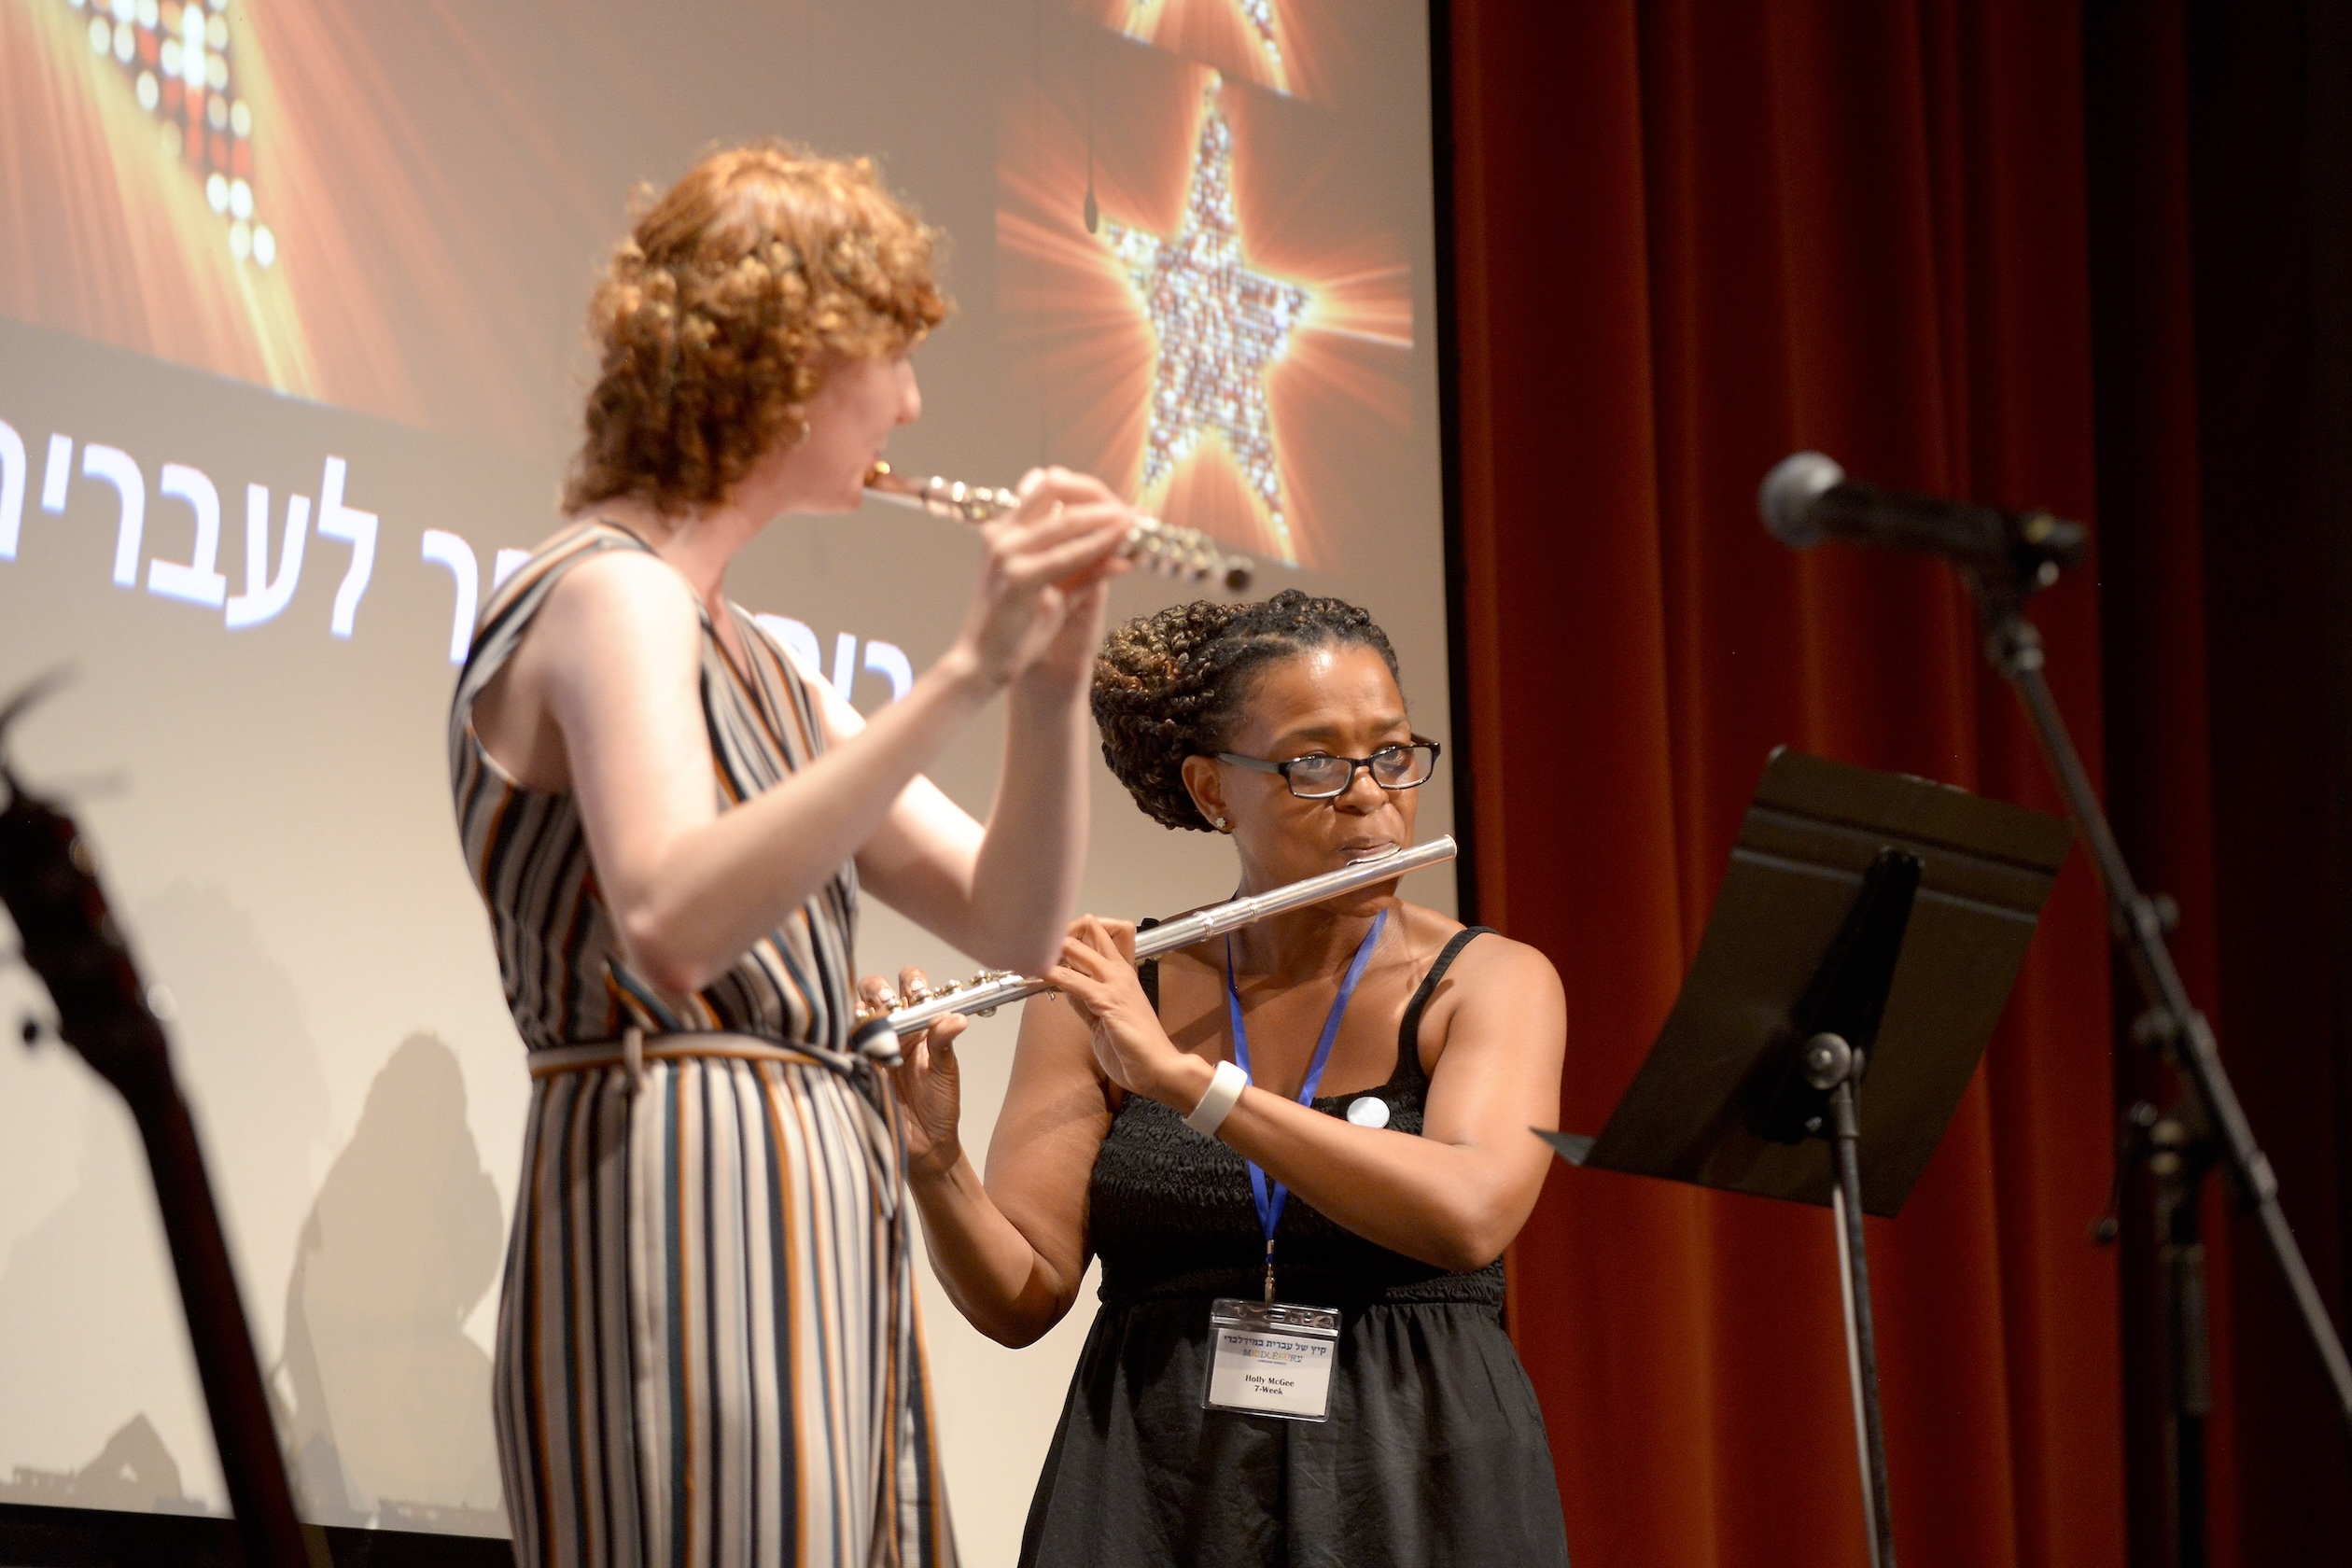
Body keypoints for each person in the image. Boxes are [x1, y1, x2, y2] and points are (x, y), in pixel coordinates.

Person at [447, 143, 1135, 1568]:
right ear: (797, 360)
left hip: (808, 1203)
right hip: (678, 1186)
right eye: (892, 356)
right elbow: (670, 920)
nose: (912, 401)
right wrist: (958, 674)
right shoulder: (607, 595)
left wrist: (1052, 681)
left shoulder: (761, 660)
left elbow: (1013, 924)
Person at [883, 590, 1575, 1566]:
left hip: (1416, 1475)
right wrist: (934, 1162)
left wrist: (1188, 1085)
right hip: (1157, 1484)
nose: (1371, 795)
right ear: (1214, 791)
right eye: (1316, 764)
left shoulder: (1491, 980)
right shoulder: (1113, 990)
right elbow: (1022, 1299)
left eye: (1389, 753)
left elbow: (1469, 1213)